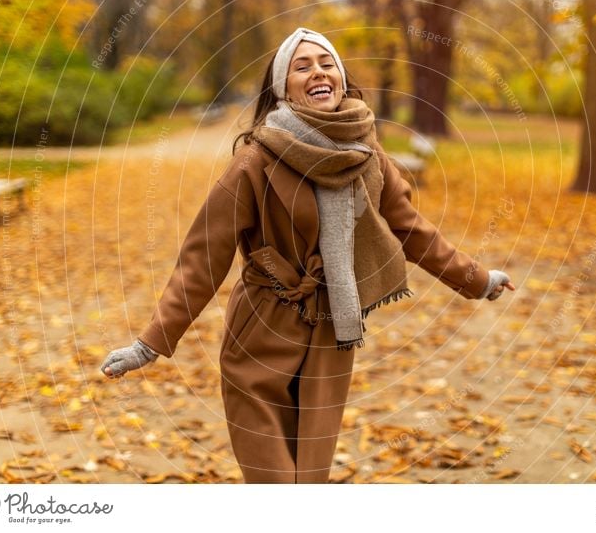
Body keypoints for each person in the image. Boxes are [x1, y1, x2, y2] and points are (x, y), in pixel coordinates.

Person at [100, 27, 515, 483]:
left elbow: (411, 231)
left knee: (309, 480)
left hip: (333, 329)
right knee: (274, 481)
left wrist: (477, 279)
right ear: (283, 88)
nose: (317, 71)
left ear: (339, 76)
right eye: (302, 66)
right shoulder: (255, 161)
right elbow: (203, 256)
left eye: (325, 62)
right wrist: (151, 341)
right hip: (262, 331)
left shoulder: (367, 153)